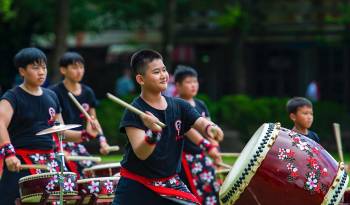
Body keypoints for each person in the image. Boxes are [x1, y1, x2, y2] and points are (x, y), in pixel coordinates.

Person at [112, 49, 224, 205]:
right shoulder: (134, 111)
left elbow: (200, 121)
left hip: (169, 183)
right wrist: (153, 133)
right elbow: (142, 153)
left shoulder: (179, 106)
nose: (164, 75)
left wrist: (210, 128)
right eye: (157, 72)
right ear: (140, 79)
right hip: (137, 185)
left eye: (164, 70)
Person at [0, 47, 99, 204]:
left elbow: (61, 131)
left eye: (44, 67)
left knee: (76, 195)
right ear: (22, 71)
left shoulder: (51, 96)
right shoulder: (12, 97)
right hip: (22, 161)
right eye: (35, 67)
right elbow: (0, 123)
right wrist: (9, 153)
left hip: (49, 161)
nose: (41, 72)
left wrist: (86, 134)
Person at [50, 51, 110, 178]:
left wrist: (102, 141)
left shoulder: (88, 92)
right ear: (63, 70)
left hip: (78, 141)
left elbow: (93, 120)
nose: (79, 71)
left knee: (93, 174)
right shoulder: (53, 93)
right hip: (59, 143)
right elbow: (55, 128)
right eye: (74, 67)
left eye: (81, 67)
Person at [174, 65, 222, 205]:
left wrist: (215, 146)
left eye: (195, 82)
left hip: (203, 155)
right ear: (178, 85)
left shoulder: (200, 104)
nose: (193, 85)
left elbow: (209, 128)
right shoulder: (176, 105)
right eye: (189, 82)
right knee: (192, 195)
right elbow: (188, 130)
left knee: (212, 191)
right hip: (185, 157)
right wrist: (208, 147)